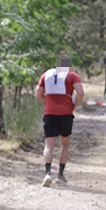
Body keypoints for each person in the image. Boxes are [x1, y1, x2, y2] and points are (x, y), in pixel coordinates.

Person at [33, 55, 82, 187]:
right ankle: (60, 174)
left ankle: (47, 172)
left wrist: (49, 100)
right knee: (64, 144)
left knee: (49, 144)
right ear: (68, 66)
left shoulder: (46, 74)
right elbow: (80, 92)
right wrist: (74, 104)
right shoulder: (72, 75)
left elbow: (38, 95)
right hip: (66, 112)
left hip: (49, 112)